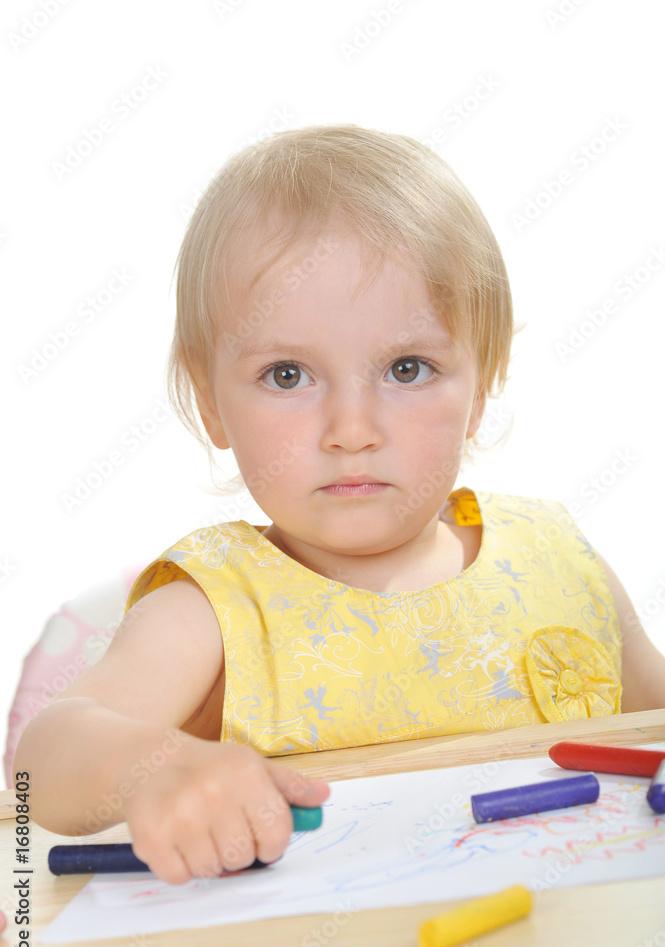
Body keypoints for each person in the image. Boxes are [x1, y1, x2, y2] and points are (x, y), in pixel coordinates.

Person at [14, 123, 665, 886]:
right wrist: (154, 767)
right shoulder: (217, 606)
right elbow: (43, 760)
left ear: (482, 384)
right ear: (210, 401)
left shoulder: (560, 561)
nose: (351, 431)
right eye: (288, 375)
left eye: (407, 367)